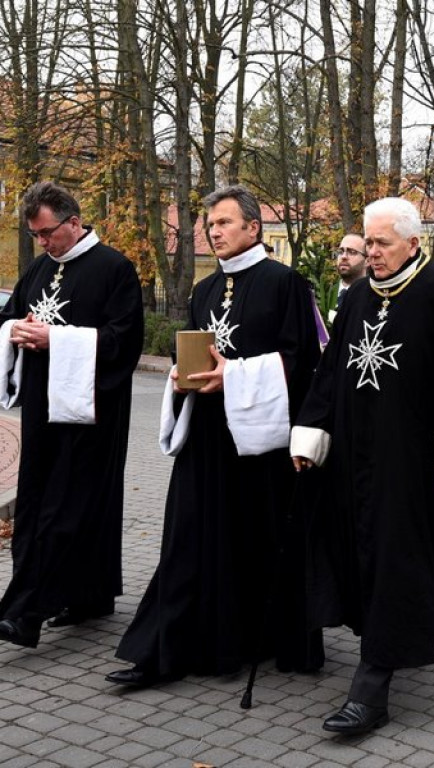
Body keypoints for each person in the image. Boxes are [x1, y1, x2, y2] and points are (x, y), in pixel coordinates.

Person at [290, 197, 434, 736]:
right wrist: (312, 434)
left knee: (394, 560)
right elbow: (330, 370)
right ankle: (370, 644)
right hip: (354, 460)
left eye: (382, 242)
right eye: (368, 241)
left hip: (412, 465)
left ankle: (372, 689)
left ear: (414, 243)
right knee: (359, 555)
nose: (371, 251)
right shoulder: (359, 295)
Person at [107, 185, 323, 686]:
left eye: (224, 223)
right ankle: (165, 649)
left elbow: (302, 362)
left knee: (255, 542)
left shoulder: (285, 283)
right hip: (206, 439)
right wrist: (183, 378)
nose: (214, 231)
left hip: (259, 447)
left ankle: (254, 641)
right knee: (189, 540)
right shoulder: (204, 291)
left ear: (253, 228)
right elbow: (193, 351)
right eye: (210, 225)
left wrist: (238, 376)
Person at [0, 182, 143, 649]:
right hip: (44, 412)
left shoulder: (115, 269)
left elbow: (125, 341)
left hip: (92, 413)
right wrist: (13, 330)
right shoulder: (39, 270)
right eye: (36, 235)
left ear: (74, 222)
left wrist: (56, 340)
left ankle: (25, 613)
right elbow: (10, 316)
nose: (42, 243)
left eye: (47, 233)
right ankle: (89, 596)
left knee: (67, 511)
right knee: (38, 504)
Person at [331, 233, 367, 313]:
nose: (344, 256)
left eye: (352, 252)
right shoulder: (324, 293)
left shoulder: (372, 297)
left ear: (367, 261)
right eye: (341, 251)